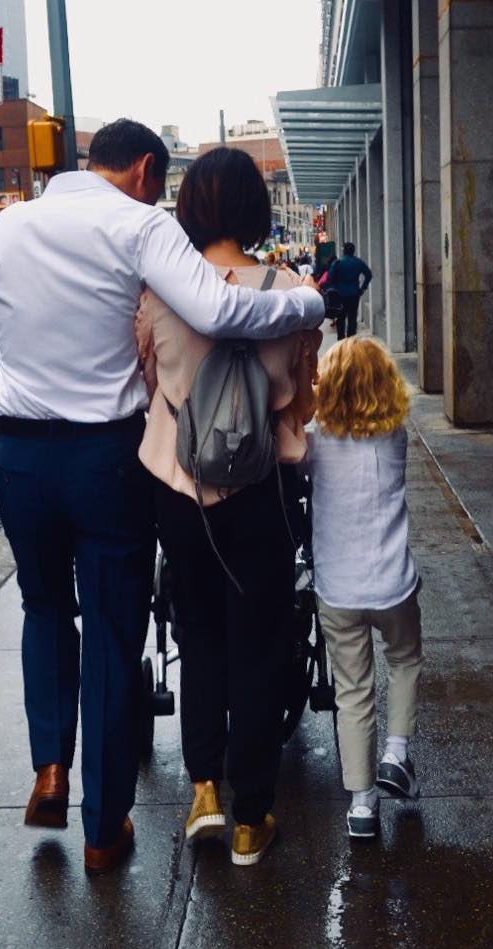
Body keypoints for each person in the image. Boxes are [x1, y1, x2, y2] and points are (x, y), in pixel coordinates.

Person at [0, 119, 324, 877]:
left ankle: (50, 764)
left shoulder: (5, 228)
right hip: (108, 463)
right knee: (112, 636)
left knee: (45, 608)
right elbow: (224, 311)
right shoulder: (138, 226)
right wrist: (306, 304)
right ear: (144, 169)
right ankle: (105, 832)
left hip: (21, 456)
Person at [136, 146, 322, 868]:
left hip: (181, 494)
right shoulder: (288, 290)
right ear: (253, 209)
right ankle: (254, 817)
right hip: (264, 494)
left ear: (188, 209)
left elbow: (147, 377)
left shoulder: (161, 296)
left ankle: (204, 791)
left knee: (200, 638)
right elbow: (303, 398)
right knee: (262, 644)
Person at [306, 337, 424, 840]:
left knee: (353, 691)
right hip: (393, 581)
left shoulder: (314, 437)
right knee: (404, 659)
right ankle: (396, 753)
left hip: (339, 587)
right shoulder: (395, 434)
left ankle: (361, 805)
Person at [329, 242, 372, 339]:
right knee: (352, 318)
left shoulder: (337, 263)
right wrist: (363, 288)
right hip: (354, 294)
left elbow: (330, 277)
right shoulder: (358, 262)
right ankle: (351, 340)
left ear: (344, 251)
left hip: (340, 295)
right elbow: (368, 274)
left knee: (341, 318)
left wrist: (336, 286)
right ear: (353, 251)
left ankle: (341, 340)